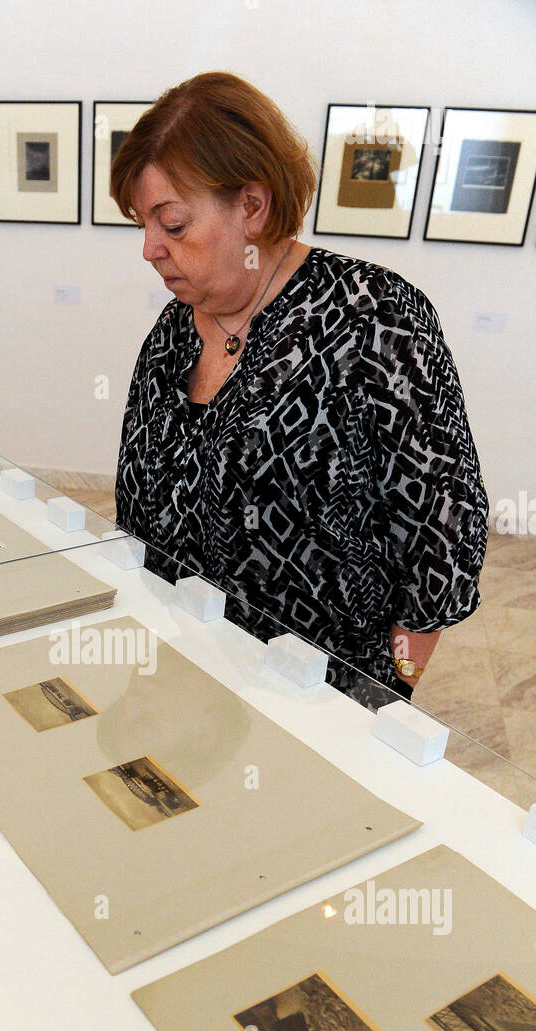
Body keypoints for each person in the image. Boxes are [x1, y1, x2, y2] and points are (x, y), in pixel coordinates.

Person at [111, 72, 489, 706]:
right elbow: (138, 507)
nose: (150, 248)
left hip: (319, 699)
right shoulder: (171, 335)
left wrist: (389, 691)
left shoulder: (376, 319)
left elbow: (442, 535)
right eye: (143, 224)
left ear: (252, 207)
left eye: (172, 224)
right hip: (181, 679)